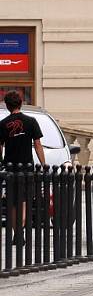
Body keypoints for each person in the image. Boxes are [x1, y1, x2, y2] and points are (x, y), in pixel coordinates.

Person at [0, 90, 46, 239]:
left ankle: (16, 233)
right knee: (24, 200)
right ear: (21, 103)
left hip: (10, 167)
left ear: (7, 106)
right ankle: (21, 231)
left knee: (13, 201)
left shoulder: (2, 124)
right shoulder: (31, 121)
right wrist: (43, 164)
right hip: (26, 166)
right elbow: (38, 144)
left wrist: (1, 161)